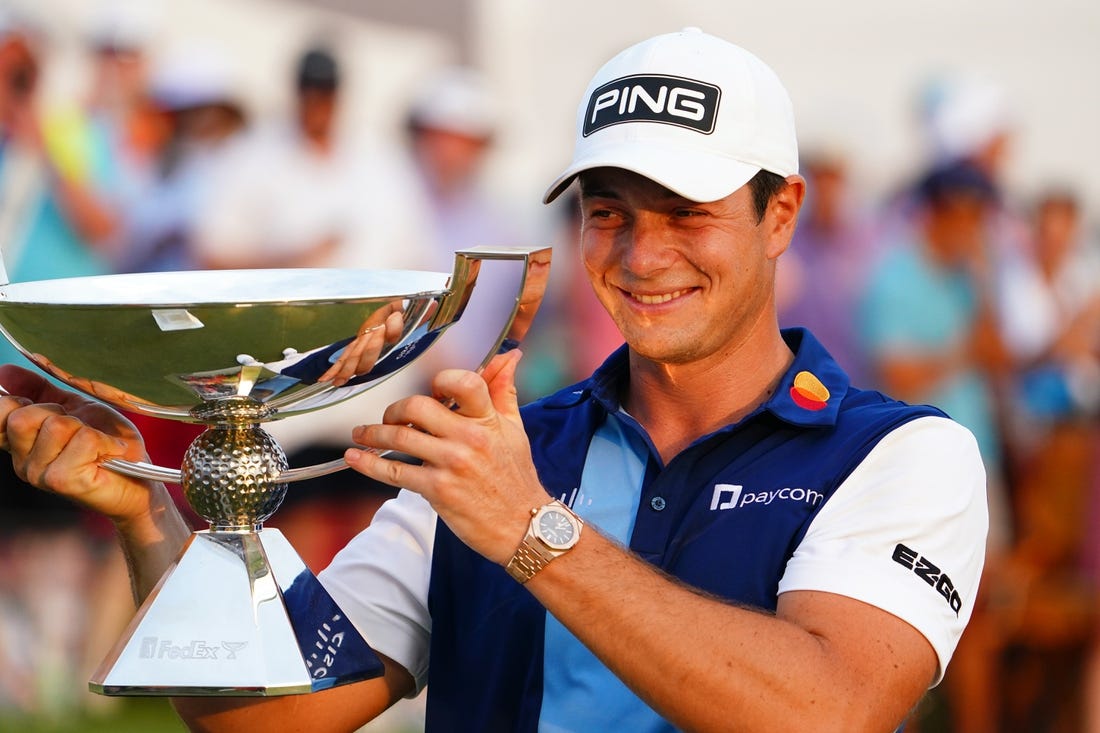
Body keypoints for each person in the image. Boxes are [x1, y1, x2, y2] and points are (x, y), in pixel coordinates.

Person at [0, 28, 988, 732]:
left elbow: (823, 710)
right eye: (607, 211)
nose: (642, 255)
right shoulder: (497, 449)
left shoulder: (900, 454)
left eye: (686, 213)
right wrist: (151, 515)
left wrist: (529, 530)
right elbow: (272, 717)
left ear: (781, 215)